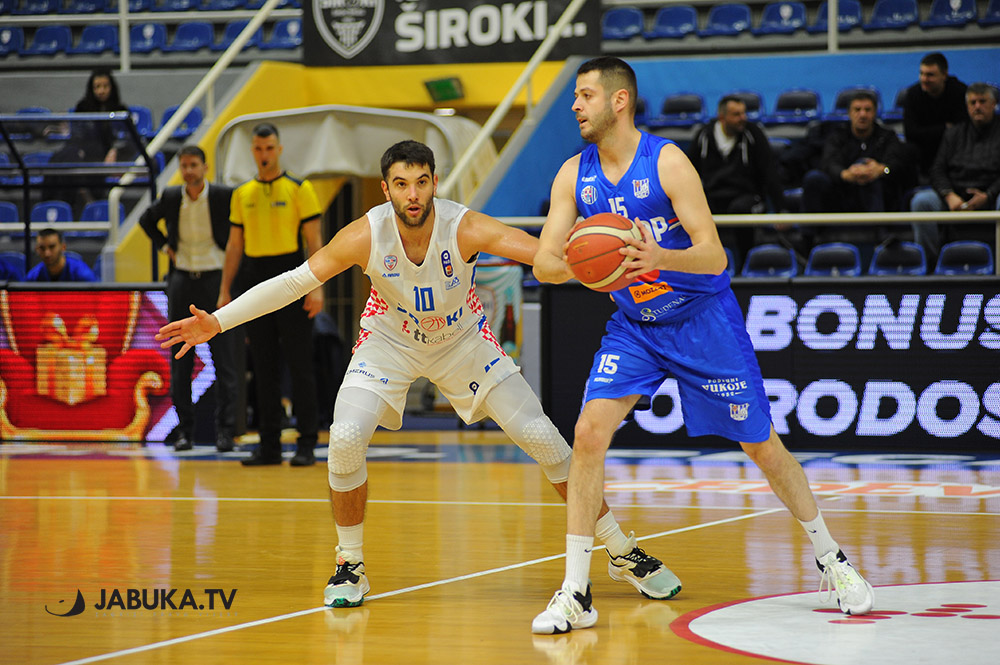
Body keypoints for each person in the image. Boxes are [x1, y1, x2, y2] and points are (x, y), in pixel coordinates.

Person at [156, 139, 679, 612]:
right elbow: (294, 282)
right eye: (402, 184)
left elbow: (544, 255)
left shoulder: (464, 227)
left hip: (463, 342)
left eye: (422, 182)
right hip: (389, 342)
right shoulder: (365, 234)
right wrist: (217, 322)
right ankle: (350, 564)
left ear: (434, 183)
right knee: (344, 439)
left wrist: (595, 264)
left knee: (545, 439)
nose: (413, 194)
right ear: (385, 189)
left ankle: (620, 550)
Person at [531, 57, 874, 635]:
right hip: (636, 326)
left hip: (702, 319)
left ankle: (832, 559)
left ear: (618, 100)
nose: (575, 106)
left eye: (585, 95)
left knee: (762, 446)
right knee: (587, 435)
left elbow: (714, 255)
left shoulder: (666, 161)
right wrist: (589, 265)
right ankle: (576, 592)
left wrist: (656, 257)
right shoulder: (572, 174)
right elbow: (544, 261)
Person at [220, 122, 323, 467]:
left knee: (300, 364)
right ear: (253, 151)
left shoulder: (299, 188)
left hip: (293, 277)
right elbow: (235, 246)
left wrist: (317, 286)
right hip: (255, 278)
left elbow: (315, 242)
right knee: (263, 367)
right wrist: (225, 290)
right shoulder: (242, 194)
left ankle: (306, 443)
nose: (264, 154)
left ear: (278, 150)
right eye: (258, 149)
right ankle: (269, 446)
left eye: (269, 148)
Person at [138, 145, 238, 453]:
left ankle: (225, 432)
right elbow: (145, 220)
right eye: (184, 166)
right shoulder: (171, 197)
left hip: (215, 278)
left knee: (224, 358)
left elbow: (240, 231)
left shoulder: (223, 196)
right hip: (181, 279)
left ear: (205, 167)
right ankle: (184, 432)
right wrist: (163, 245)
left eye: (194, 165)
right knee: (181, 359)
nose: (189, 171)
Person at [687, 94, 785, 260]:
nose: (743, 118)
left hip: (748, 196)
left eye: (743, 113)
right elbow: (688, 172)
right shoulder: (704, 136)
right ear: (722, 117)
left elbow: (770, 172)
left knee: (740, 209)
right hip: (713, 196)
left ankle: (745, 262)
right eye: (736, 114)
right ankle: (703, 261)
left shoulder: (753, 134)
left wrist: (780, 210)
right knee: (695, 210)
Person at [910, 82, 1000, 263]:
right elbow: (937, 169)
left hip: (991, 196)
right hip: (954, 197)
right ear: (967, 106)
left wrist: (989, 195)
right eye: (973, 102)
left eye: (982, 102)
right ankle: (930, 264)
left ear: (993, 104)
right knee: (921, 201)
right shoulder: (953, 134)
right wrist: (949, 195)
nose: (977, 107)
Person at [802, 90, 911, 214]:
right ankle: (812, 227)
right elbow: (829, 164)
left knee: (876, 179)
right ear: (849, 113)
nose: (863, 115)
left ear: (875, 112)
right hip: (842, 190)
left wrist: (882, 170)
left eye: (867, 110)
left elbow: (895, 165)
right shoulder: (837, 136)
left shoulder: (888, 136)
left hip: (879, 188)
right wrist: (844, 174)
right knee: (814, 178)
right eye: (857, 110)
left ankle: (878, 225)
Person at [50, 69, 131, 215]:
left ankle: (93, 206)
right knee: (66, 158)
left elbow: (127, 137)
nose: (101, 91)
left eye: (105, 86)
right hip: (87, 156)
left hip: (110, 158)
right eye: (97, 87)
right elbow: (77, 135)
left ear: (112, 87)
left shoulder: (121, 110)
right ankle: (81, 204)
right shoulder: (82, 108)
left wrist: (115, 150)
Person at [902, 52, 968, 180]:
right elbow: (910, 133)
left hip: (954, 151)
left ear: (944, 75)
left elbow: (962, 131)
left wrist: (926, 132)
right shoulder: (913, 94)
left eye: (930, 75)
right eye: (921, 73)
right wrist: (944, 128)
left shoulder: (960, 92)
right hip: (924, 151)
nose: (924, 79)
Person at [25, 228, 98, 282]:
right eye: (42, 248)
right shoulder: (33, 277)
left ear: (63, 247)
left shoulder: (83, 274)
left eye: (52, 247)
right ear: (37, 249)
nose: (47, 254)